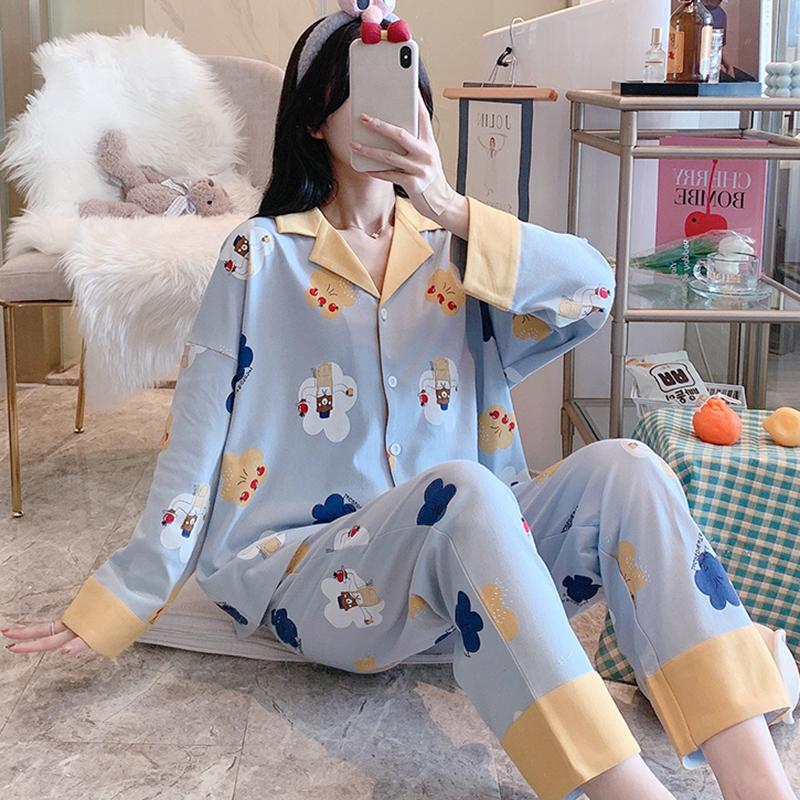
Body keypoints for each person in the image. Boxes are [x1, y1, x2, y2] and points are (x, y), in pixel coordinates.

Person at [3, 9, 798, 800]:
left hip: (472, 578)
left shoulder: (460, 250)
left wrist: (448, 205)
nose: (393, 109)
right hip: (319, 577)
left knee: (631, 467)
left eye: (405, 85)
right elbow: (196, 433)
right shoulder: (260, 256)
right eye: (363, 87)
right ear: (315, 120)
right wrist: (121, 597)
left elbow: (594, 289)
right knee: (464, 490)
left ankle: (760, 786)